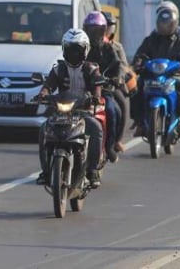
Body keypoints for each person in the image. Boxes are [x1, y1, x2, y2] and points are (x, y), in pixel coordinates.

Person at [35, 29, 104, 188]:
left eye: (77, 50)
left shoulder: (91, 69)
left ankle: (92, 171)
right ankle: (46, 172)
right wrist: (43, 95)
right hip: (61, 112)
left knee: (96, 128)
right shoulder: (58, 69)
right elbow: (48, 86)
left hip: (83, 111)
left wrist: (96, 97)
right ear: (64, 49)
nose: (73, 53)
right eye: (70, 49)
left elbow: (97, 86)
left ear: (85, 50)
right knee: (44, 130)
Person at [130, 0, 180, 139]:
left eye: (169, 22)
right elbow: (140, 53)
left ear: (176, 20)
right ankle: (139, 123)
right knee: (135, 90)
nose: (165, 25)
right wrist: (138, 63)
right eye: (162, 22)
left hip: (175, 74)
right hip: (152, 75)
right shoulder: (152, 37)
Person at [83, 11, 124, 163]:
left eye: (98, 30)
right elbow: (68, 61)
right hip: (81, 89)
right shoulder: (80, 46)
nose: (94, 33)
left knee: (113, 112)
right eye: (91, 29)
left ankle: (109, 147)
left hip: (104, 90)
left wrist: (117, 77)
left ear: (104, 30)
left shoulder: (108, 48)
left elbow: (118, 65)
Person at [103, 11, 131, 153]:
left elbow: (123, 66)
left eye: (110, 27)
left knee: (122, 107)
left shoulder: (116, 47)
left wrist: (118, 77)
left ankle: (117, 140)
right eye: (105, 26)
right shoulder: (88, 44)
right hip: (92, 84)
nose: (108, 30)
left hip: (111, 84)